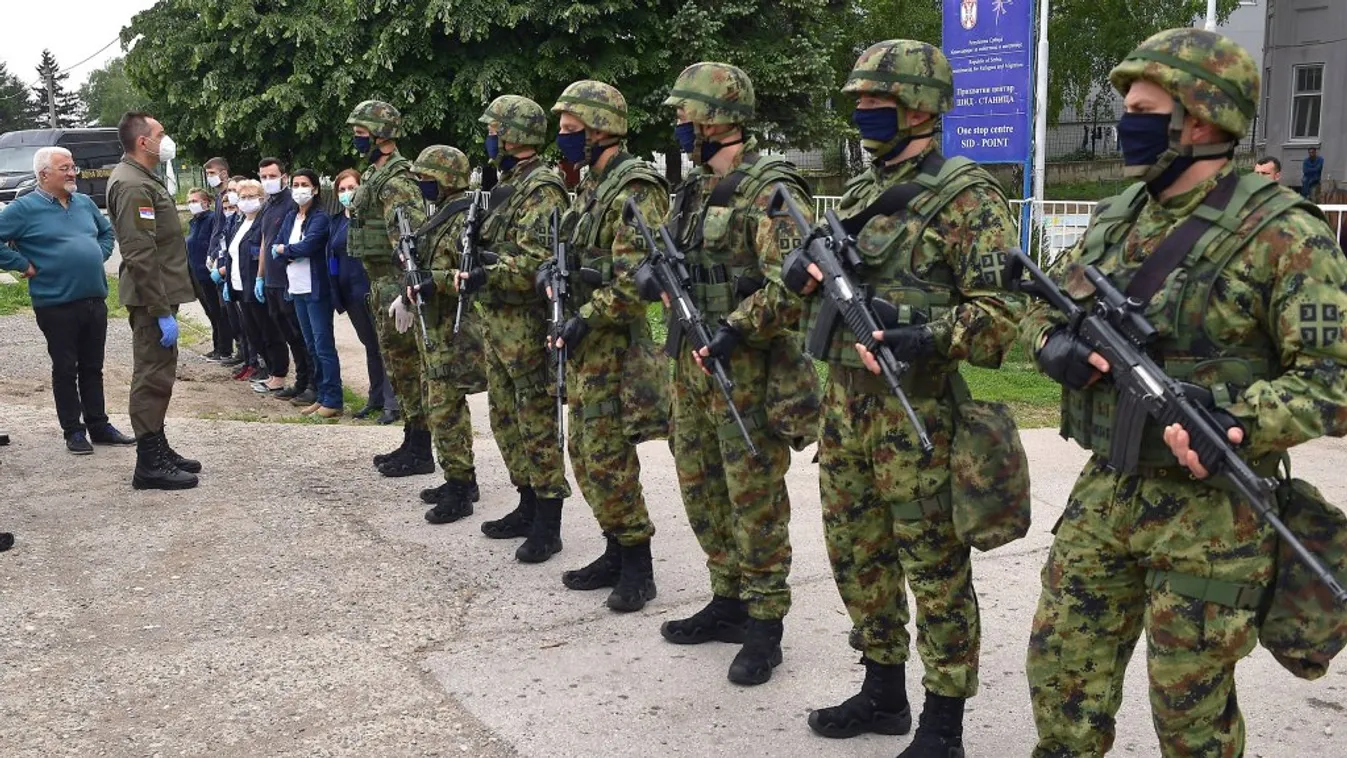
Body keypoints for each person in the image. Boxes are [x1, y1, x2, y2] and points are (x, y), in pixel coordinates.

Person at [1019, 29, 1347, 757]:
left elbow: (1332, 381)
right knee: (1060, 679)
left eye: (1141, 107)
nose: (1124, 122)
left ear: (1197, 120)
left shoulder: (1283, 234)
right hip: (1107, 490)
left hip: (1213, 515)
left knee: (1189, 717)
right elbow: (1038, 303)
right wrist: (1052, 344)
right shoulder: (1116, 217)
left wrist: (1232, 420)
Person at [792, 40, 1024, 756]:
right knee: (856, 557)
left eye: (874, 99)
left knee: (934, 570)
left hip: (915, 414)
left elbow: (999, 317)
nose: (861, 112)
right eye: (858, 100)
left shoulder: (967, 196)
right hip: (845, 412)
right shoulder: (861, 192)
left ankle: (943, 722)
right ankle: (882, 690)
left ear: (918, 106)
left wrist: (919, 335)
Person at [659, 63, 819, 686]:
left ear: (715, 119)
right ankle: (726, 598)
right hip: (690, 362)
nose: (678, 125)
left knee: (752, 497)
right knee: (700, 487)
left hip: (746, 370)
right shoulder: (694, 191)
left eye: (684, 116)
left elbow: (794, 282)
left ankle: (764, 624)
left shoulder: (771, 189)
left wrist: (737, 324)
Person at [545, 81, 670, 611]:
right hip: (585, 344)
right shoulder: (591, 186)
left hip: (614, 346)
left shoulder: (636, 189)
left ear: (601, 129)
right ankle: (615, 548)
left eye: (571, 131)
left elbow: (637, 278)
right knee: (586, 453)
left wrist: (585, 316)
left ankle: (638, 565)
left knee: (607, 455)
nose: (564, 140)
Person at [470, 95, 572, 563]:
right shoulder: (509, 181)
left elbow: (537, 261)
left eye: (494, 129)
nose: (490, 137)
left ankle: (548, 521)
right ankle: (526, 502)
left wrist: (485, 270)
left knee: (535, 423)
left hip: (527, 326)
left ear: (512, 135)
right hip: (498, 323)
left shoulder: (543, 188)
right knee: (505, 419)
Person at [0, 145, 134, 454]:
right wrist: (21, 264)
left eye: (73, 167)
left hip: (93, 299)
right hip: (55, 303)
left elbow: (106, 234)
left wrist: (96, 254)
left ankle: (99, 426)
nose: (73, 172)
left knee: (93, 367)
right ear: (43, 174)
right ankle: (74, 431)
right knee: (65, 368)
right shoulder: (24, 208)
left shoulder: (84, 203)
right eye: (65, 168)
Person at [107, 111, 201, 490]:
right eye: (160, 134)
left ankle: (158, 446)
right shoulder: (131, 184)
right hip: (151, 299)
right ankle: (149, 463)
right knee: (151, 376)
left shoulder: (143, 177)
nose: (166, 139)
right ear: (143, 142)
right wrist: (160, 310)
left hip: (157, 295)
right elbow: (139, 253)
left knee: (159, 373)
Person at [345, 100, 433, 474]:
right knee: (397, 368)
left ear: (382, 135)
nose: (356, 140)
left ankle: (422, 450)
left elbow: (409, 239)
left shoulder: (397, 180)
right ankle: (410, 440)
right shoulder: (374, 174)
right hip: (379, 281)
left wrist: (406, 292)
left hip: (395, 284)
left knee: (409, 367)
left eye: (361, 133)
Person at [403, 145, 487, 521]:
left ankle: (460, 487)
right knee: (439, 404)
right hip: (433, 326)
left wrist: (432, 282)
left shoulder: (465, 218)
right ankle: (459, 476)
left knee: (445, 407)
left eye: (427, 178)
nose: (422, 185)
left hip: (453, 328)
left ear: (447, 177)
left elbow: (471, 275)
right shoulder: (440, 217)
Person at [329, 168, 400, 424]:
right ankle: (376, 397)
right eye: (342, 189)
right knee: (371, 346)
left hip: (372, 288)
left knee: (385, 347)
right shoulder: (337, 221)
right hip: (350, 293)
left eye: (352, 188)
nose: (348, 194)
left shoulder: (371, 218)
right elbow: (333, 257)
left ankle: (393, 404)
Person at [274, 168, 339, 417]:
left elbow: (308, 246)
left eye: (304, 184)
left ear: (314, 189)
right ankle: (321, 396)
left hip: (316, 289)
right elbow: (276, 244)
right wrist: (285, 250)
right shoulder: (292, 217)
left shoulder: (320, 217)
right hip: (296, 288)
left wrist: (285, 250)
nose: (299, 188)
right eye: (295, 184)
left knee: (323, 346)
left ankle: (333, 399)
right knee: (311, 346)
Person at [253, 157, 310, 403]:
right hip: (272, 280)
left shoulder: (290, 203)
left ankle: (309, 382)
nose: (268, 181)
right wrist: (260, 277)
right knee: (287, 333)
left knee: (300, 335)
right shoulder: (268, 205)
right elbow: (266, 242)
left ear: (283, 177)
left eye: (272, 176)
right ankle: (300, 382)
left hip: (290, 279)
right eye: (263, 177)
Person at [219, 180, 267, 383]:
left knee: (262, 329)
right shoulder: (239, 223)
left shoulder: (261, 222)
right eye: (243, 197)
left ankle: (267, 367)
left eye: (251, 197)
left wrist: (260, 279)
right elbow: (231, 253)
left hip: (252, 284)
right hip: (237, 284)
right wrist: (228, 283)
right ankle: (250, 362)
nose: (247, 201)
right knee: (247, 328)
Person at [185, 187, 231, 363]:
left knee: (220, 312)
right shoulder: (194, 222)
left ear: (206, 202)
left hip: (211, 272)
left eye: (195, 201)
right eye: (189, 201)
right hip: (198, 273)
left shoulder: (211, 219)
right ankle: (217, 346)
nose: (192, 204)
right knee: (211, 311)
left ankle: (224, 348)